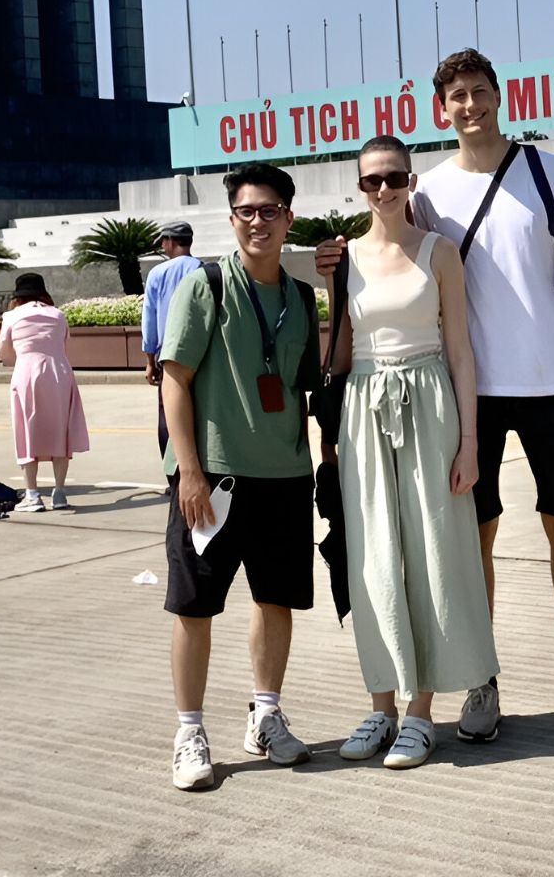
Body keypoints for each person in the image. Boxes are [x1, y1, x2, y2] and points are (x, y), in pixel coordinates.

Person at [317, 47, 554, 742]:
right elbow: (395, 261)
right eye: (457, 95)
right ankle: (482, 685)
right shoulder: (427, 190)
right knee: (472, 542)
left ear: (499, 96)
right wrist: (333, 268)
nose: (470, 104)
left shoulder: (553, 175)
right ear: (441, 109)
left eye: (479, 91)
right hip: (471, 397)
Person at [326, 136, 496, 771]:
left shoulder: (440, 252)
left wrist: (471, 442)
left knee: (430, 551)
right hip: (364, 409)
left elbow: (461, 352)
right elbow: (340, 355)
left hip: (429, 403)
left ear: (411, 179)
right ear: (360, 187)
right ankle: (380, 703)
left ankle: (422, 710)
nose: (383, 190)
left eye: (393, 177)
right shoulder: (343, 259)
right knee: (372, 557)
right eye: (371, 181)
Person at [159, 163, 321, 791]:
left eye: (270, 210)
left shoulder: (302, 297)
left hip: (284, 475)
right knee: (194, 606)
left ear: (289, 218)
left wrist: (320, 461)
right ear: (232, 220)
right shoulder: (206, 285)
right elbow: (176, 379)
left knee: (275, 600)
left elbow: (305, 387)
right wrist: (190, 471)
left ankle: (266, 717)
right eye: (247, 212)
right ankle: (190, 731)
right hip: (216, 479)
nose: (259, 221)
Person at [0, 272, 90, 512]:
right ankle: (59, 492)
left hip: (26, 373)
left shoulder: (11, 316)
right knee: (61, 432)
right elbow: (63, 345)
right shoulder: (58, 315)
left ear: (18, 296)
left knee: (26, 431)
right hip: (59, 373)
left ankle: (32, 494)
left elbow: (3, 354)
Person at [141, 221, 201, 454]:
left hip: (167, 355)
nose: (163, 247)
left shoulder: (158, 273)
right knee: (197, 411)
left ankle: (173, 474)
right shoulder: (202, 269)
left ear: (170, 241)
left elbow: (150, 318)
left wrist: (149, 360)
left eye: (163, 242)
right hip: (199, 354)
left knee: (169, 412)